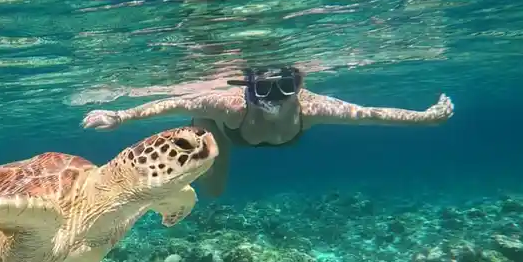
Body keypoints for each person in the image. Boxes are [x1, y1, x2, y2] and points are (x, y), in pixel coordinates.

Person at [82, 65, 454, 197]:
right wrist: (121, 115)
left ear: (300, 84)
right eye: (262, 89)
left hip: (258, 134)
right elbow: (177, 104)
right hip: (224, 132)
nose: (274, 97)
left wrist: (425, 117)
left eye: (285, 87)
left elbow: (371, 114)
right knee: (213, 181)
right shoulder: (228, 106)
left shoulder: (312, 107)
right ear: (247, 89)